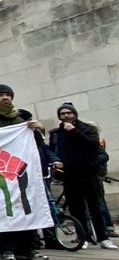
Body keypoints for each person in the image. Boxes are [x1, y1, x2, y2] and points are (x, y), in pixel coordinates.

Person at [0, 84, 49, 260]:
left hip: (21, 172)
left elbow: (35, 146)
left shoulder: (20, 122)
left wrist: (38, 131)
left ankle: (28, 248)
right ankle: (7, 248)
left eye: (8, 95)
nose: (5, 98)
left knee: (26, 208)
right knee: (6, 209)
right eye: (0, 95)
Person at [49, 102, 117, 249]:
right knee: (76, 208)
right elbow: (53, 151)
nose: (66, 116)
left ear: (75, 114)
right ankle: (82, 236)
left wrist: (74, 131)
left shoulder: (88, 129)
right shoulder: (56, 133)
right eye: (63, 114)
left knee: (95, 206)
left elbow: (92, 145)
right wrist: (56, 162)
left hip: (88, 173)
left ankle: (103, 237)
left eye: (69, 113)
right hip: (69, 175)